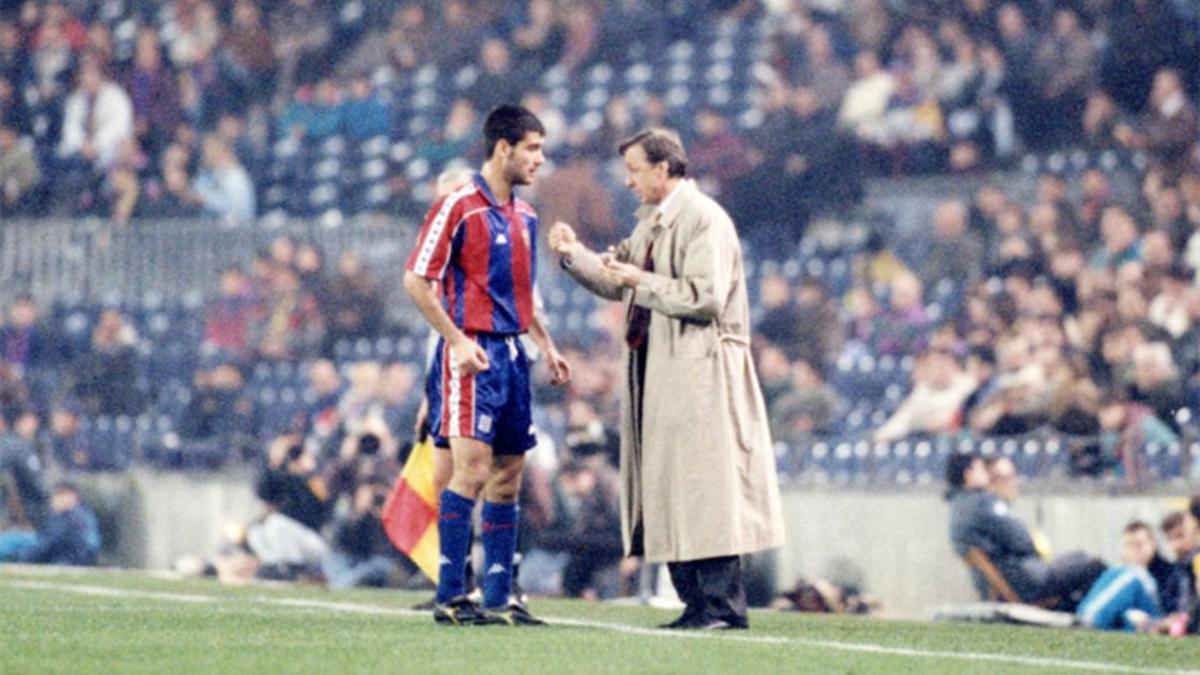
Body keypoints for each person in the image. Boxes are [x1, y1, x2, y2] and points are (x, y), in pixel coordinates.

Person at [549, 128, 785, 630]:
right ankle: (695, 603)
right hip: (660, 368)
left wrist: (641, 280)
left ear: (664, 168)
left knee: (705, 487)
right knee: (669, 488)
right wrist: (575, 257)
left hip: (702, 369)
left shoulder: (705, 220)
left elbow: (705, 298)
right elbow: (619, 281)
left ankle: (722, 607)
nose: (628, 181)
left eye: (635, 170)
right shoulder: (653, 225)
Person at [402, 105, 571, 626]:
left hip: (514, 354)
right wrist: (454, 341)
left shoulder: (526, 216)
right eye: (533, 150)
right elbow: (416, 279)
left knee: (509, 476)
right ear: (503, 148)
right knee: (471, 470)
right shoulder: (457, 206)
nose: (540, 161)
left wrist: (547, 346)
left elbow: (524, 298)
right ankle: (452, 594)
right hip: (472, 353)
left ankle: (501, 597)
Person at [945, 453, 1105, 610]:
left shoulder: (958, 506)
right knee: (1093, 565)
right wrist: (1032, 543)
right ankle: (1093, 617)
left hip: (1007, 582)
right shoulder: (982, 503)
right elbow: (1021, 540)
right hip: (1025, 580)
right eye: (981, 470)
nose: (986, 475)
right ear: (969, 474)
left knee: (1077, 558)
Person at [1075, 521, 1165, 632]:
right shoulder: (1115, 572)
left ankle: (1089, 620)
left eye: (1139, 544)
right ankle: (1083, 619)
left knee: (1133, 575)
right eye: (1128, 545)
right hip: (1131, 615)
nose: (1134, 550)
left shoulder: (1166, 571)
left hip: (1155, 616)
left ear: (1153, 545)